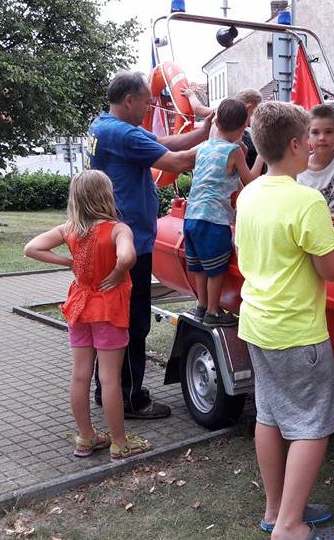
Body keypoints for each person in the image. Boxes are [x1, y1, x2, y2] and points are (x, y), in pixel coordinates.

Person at [235, 100, 334, 540]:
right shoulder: (306, 200)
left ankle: (276, 511)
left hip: (256, 325)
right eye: (309, 136)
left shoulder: (249, 194)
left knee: (269, 417)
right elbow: (330, 269)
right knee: (311, 425)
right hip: (297, 333)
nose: (314, 143)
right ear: (294, 144)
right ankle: (290, 527)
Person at [85, 71, 212, 420]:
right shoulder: (121, 133)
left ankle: (107, 389)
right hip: (127, 245)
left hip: (113, 239)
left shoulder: (103, 126)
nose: (149, 106)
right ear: (129, 100)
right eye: (146, 100)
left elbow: (163, 143)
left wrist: (203, 132)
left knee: (114, 320)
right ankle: (130, 399)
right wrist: (219, 143)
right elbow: (176, 162)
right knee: (131, 321)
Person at [24, 170, 150, 461]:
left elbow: (31, 248)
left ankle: (86, 437)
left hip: (79, 308)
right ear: (107, 195)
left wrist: (67, 261)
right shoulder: (118, 229)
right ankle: (119, 442)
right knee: (109, 379)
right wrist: (118, 273)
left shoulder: (70, 229)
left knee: (80, 376)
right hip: (108, 311)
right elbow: (128, 257)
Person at [184, 98, 264, 326]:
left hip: (191, 218)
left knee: (198, 266)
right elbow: (249, 181)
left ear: (216, 121)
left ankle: (201, 305)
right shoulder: (234, 151)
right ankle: (213, 311)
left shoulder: (203, 148)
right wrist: (260, 158)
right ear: (242, 128)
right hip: (214, 220)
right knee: (215, 270)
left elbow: (223, 179)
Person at [184, 87, 264, 169]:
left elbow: (198, 109)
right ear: (249, 108)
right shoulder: (236, 131)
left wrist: (191, 95)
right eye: (257, 112)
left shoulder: (222, 110)